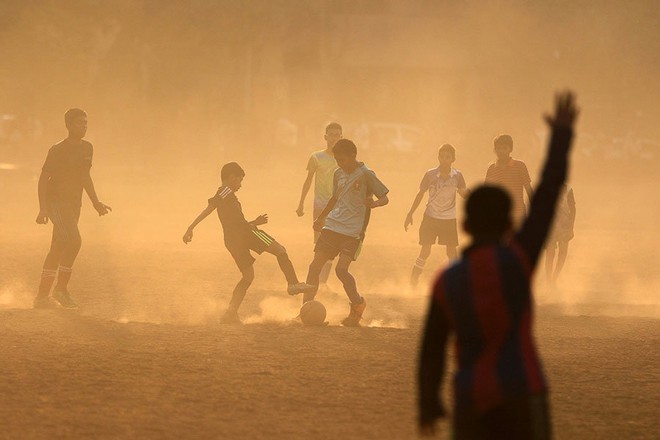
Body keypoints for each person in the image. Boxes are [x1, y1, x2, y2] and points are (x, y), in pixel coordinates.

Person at [418, 91, 578, 439]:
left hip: (473, 396)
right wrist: (561, 137)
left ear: (465, 226)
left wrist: (428, 402)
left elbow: (432, 348)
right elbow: (549, 194)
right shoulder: (519, 262)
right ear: (509, 225)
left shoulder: (448, 279)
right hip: (524, 388)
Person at [183, 162, 311, 324]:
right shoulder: (226, 191)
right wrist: (191, 227)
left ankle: (230, 313)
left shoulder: (226, 194)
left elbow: (235, 223)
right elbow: (210, 207)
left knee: (248, 277)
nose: (241, 185)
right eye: (239, 180)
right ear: (231, 178)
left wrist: (254, 222)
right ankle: (292, 284)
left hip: (233, 240)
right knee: (280, 250)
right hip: (248, 234)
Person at [292, 139, 389, 326]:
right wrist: (321, 218)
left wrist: (374, 203)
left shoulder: (367, 174)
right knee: (314, 267)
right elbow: (335, 197)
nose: (339, 163)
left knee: (341, 270)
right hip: (333, 226)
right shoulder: (338, 173)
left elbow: (385, 198)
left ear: (353, 156)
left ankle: (358, 305)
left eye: (342, 160)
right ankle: (306, 309)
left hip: (353, 231)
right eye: (337, 160)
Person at [33, 108, 112, 309]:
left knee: (57, 248)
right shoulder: (57, 149)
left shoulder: (87, 148)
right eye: (79, 123)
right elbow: (43, 179)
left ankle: (41, 298)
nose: (83, 126)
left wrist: (96, 202)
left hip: (74, 204)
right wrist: (43, 208)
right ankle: (61, 289)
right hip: (56, 203)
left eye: (85, 123)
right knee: (74, 241)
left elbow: (85, 176)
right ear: (68, 125)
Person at [405, 144, 469, 286]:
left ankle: (456, 280)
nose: (444, 160)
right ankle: (414, 277)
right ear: (438, 157)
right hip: (430, 217)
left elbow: (463, 192)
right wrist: (410, 213)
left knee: (451, 251)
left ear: (453, 159)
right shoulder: (430, 174)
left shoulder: (457, 176)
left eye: (448, 157)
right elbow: (420, 194)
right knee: (425, 249)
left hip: (448, 219)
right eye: (442, 156)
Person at [296, 122, 342, 286]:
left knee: (333, 244)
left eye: (337, 135)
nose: (334, 138)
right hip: (320, 207)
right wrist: (301, 203)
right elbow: (308, 181)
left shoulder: (344, 159)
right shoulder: (316, 157)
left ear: (341, 137)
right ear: (325, 137)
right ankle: (317, 280)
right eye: (331, 135)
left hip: (338, 208)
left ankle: (322, 281)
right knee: (319, 242)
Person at [485, 134, 533, 225]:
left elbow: (528, 188)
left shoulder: (520, 166)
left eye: (504, 148)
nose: (501, 151)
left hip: (518, 212)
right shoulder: (492, 168)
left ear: (510, 149)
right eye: (498, 148)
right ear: (495, 150)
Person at [545, 184, 576, 285]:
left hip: (564, 226)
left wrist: (571, 226)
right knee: (551, 253)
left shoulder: (568, 190)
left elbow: (573, 210)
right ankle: (549, 279)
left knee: (562, 253)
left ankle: (554, 278)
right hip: (551, 227)